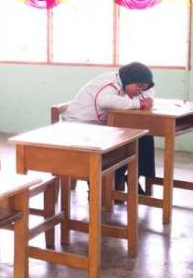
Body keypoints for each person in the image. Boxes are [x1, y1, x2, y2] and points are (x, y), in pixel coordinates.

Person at [62, 61, 156, 193]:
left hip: (99, 126)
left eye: (143, 88)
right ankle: (106, 189)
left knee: (144, 137)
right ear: (129, 79)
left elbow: (150, 91)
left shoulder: (126, 82)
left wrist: (147, 98)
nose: (140, 91)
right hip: (79, 125)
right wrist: (140, 103)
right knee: (122, 144)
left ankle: (132, 178)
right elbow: (105, 101)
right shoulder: (112, 83)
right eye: (138, 87)